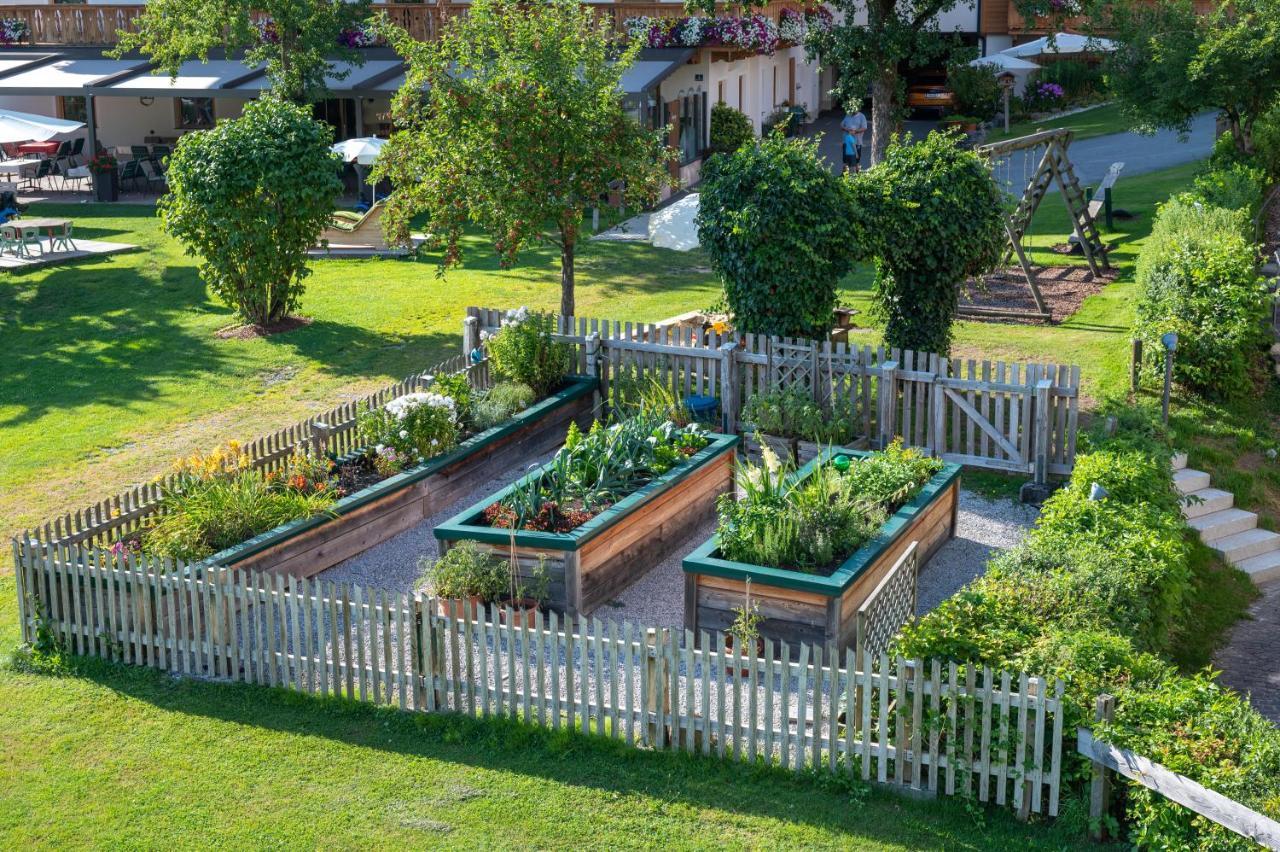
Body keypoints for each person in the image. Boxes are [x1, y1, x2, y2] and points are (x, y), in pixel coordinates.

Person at [840, 103, 867, 174]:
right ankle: (844, 174)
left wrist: (855, 131)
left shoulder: (862, 116)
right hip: (846, 141)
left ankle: (856, 174)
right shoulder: (848, 115)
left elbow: (864, 128)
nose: (853, 110)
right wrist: (847, 129)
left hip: (857, 142)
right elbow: (841, 125)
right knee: (845, 159)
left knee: (856, 160)